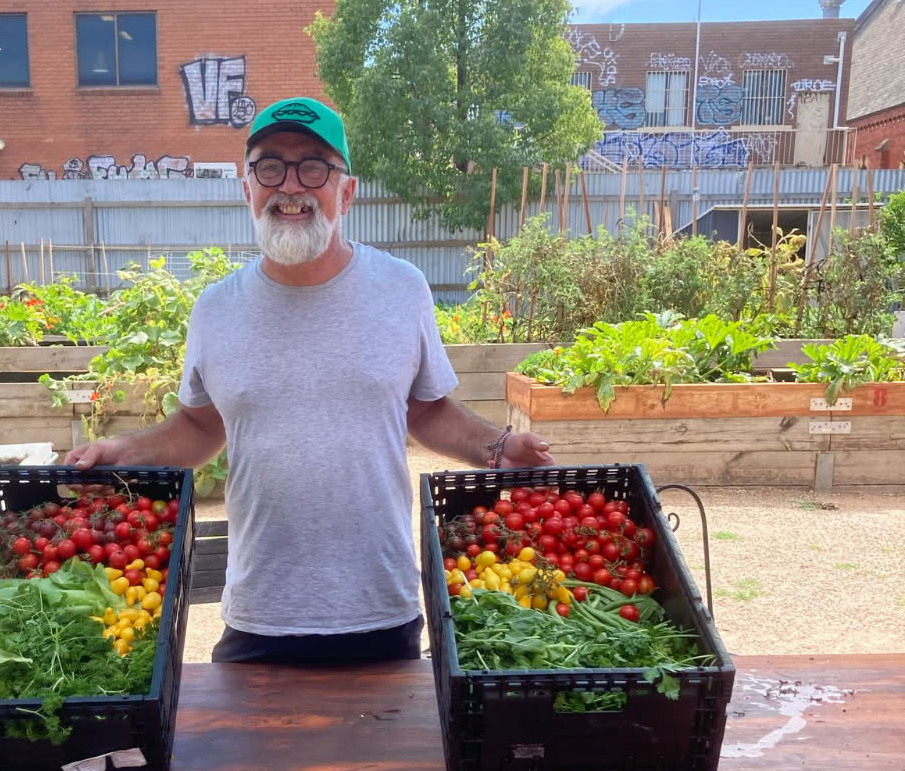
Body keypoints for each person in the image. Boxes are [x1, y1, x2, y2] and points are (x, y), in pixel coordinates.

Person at [69, 95, 554, 665]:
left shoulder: (401, 289)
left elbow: (425, 411)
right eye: (270, 166)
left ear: (346, 191)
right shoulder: (216, 308)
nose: (290, 186)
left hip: (381, 607)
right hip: (259, 612)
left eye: (314, 167)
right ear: (247, 188)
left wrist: (497, 447)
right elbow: (201, 426)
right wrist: (122, 451)